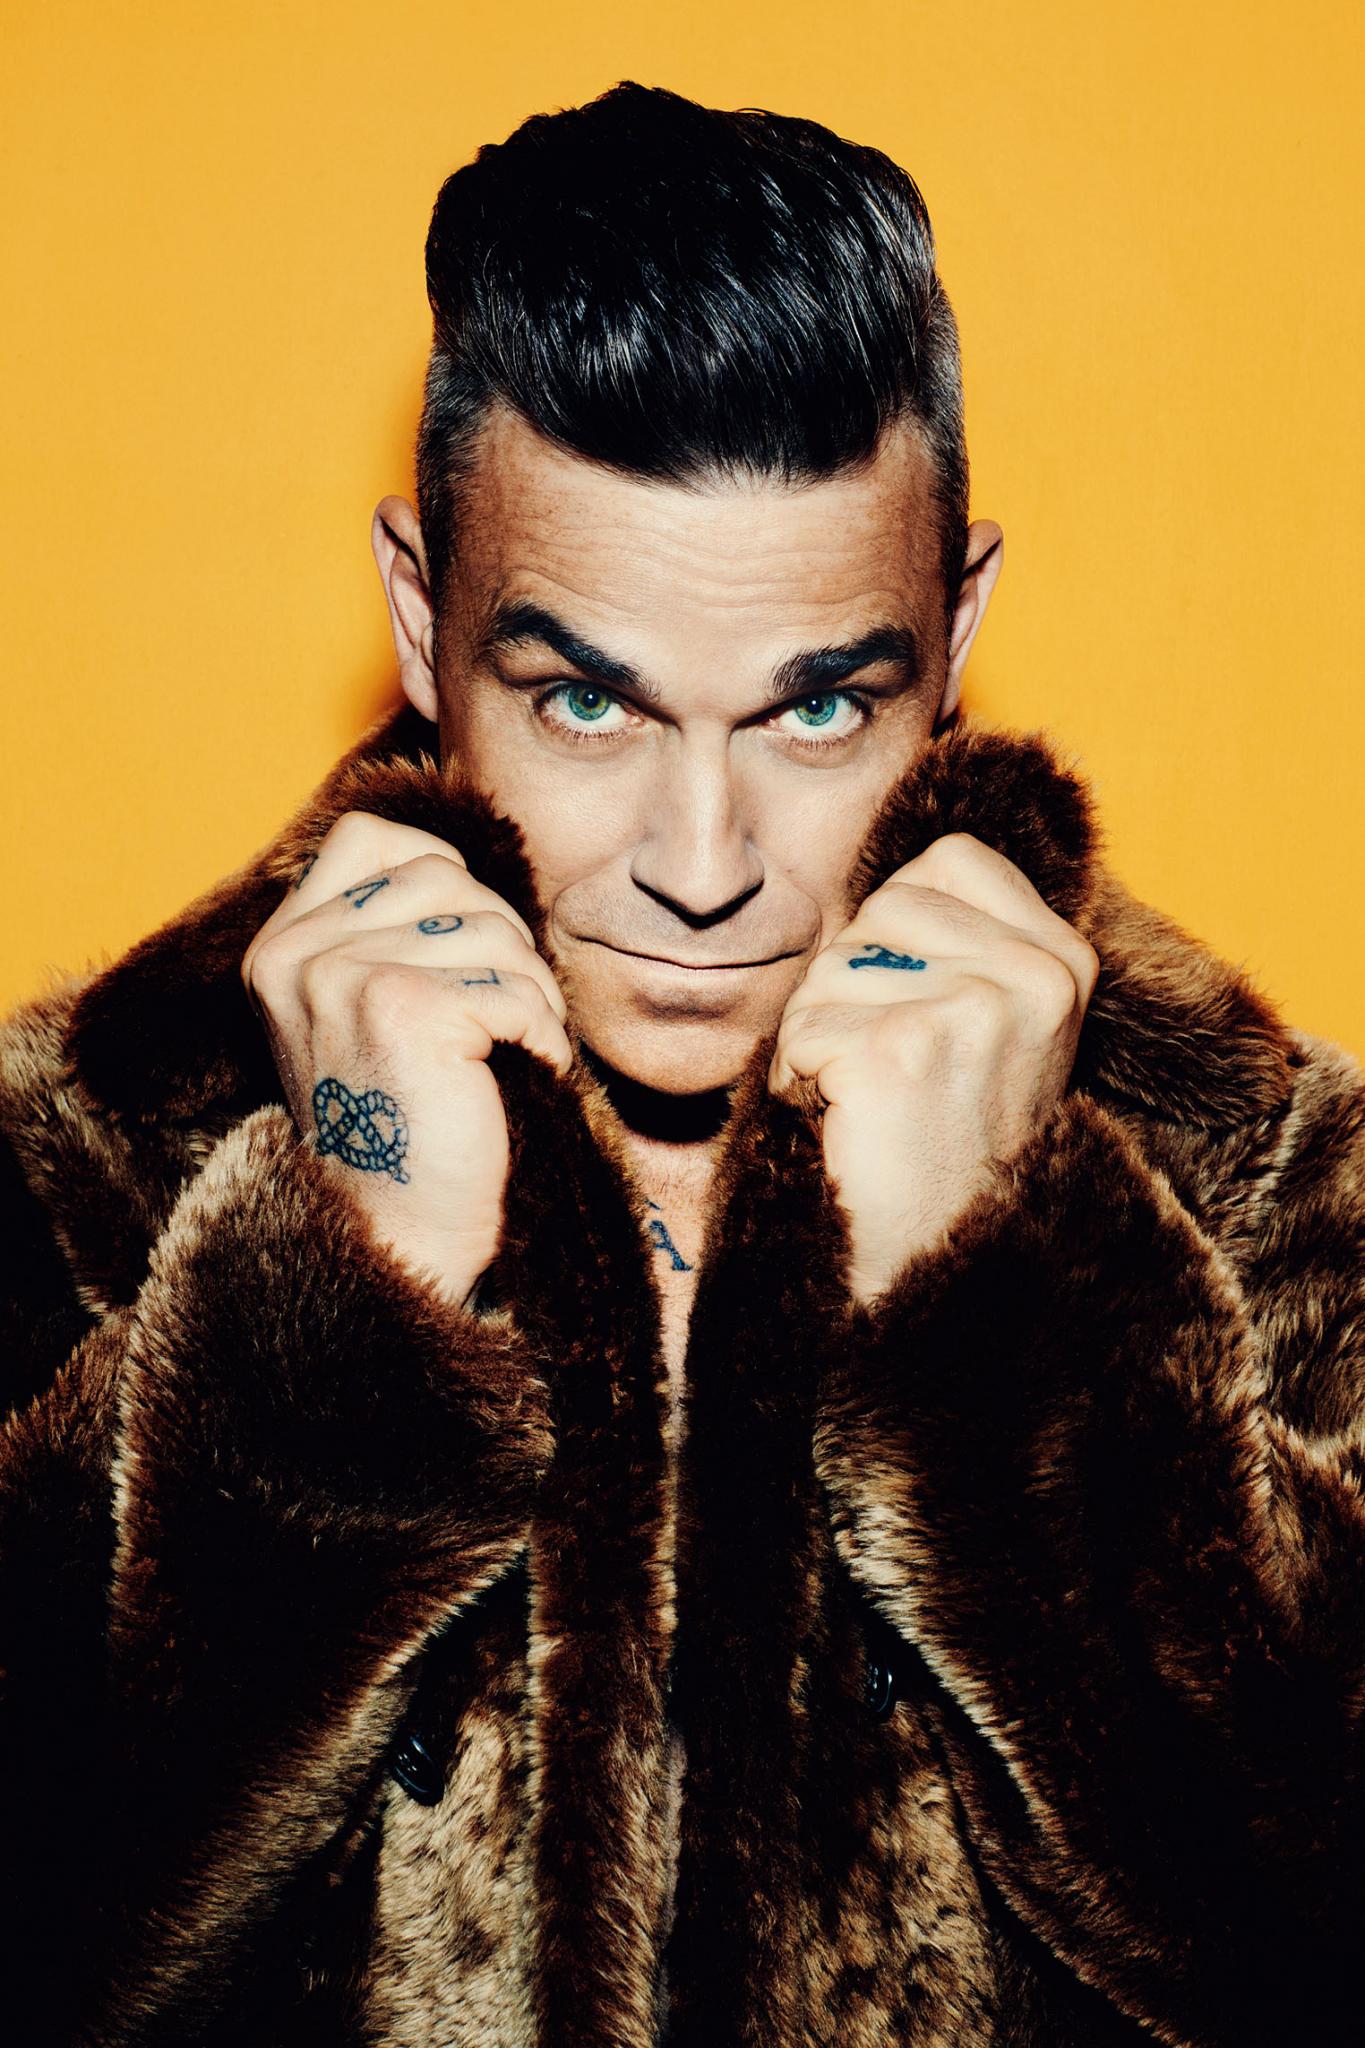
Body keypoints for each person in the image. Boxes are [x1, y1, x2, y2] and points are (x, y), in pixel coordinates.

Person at [0, 79, 1360, 2048]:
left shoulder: (1249, 1170)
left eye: (817, 711)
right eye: (583, 702)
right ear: (418, 617)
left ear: (955, 626)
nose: (702, 867)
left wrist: (1004, 1314)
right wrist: (330, 1313)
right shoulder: (87, 1152)